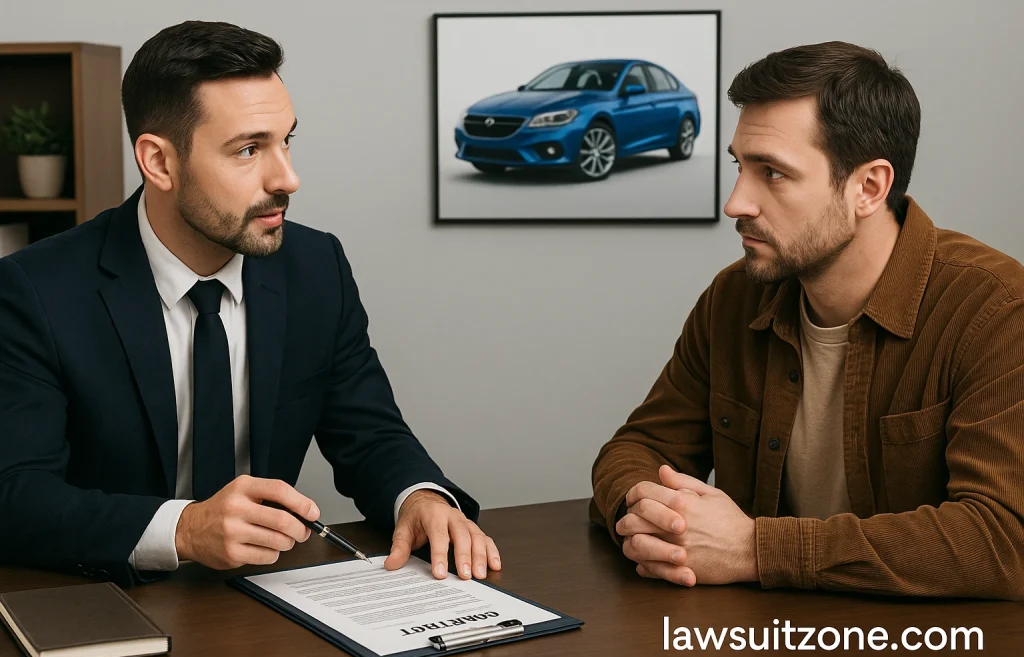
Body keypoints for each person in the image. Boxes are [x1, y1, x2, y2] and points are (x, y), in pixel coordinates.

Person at [0, 21, 499, 588]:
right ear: (159, 162)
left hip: (267, 600)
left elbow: (371, 433)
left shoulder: (317, 266)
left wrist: (422, 497)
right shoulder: (34, 290)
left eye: (286, 140)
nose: (288, 176)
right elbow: (14, 493)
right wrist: (183, 530)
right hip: (104, 600)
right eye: (248, 149)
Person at [590, 41, 1024, 599]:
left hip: (931, 649)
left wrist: (753, 549)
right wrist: (656, 517)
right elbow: (636, 450)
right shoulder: (734, 298)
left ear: (869, 187)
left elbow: (1003, 539)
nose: (736, 202)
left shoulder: (994, 309)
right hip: (764, 640)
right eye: (738, 166)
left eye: (772, 173)